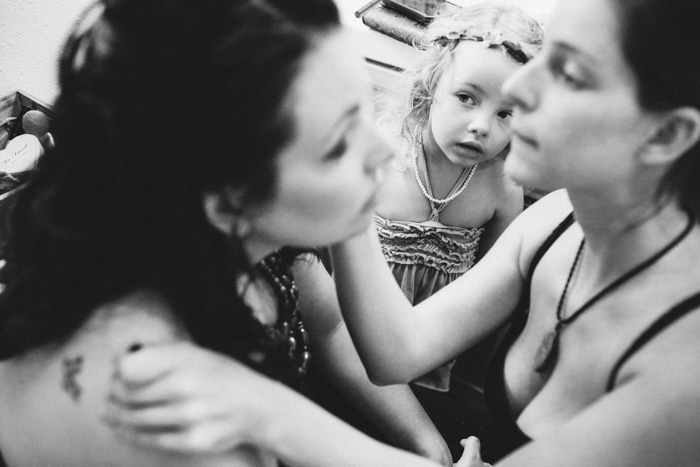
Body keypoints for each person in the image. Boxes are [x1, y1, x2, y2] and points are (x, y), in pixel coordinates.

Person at [103, 0, 700, 465]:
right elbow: (397, 352)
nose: (515, 93)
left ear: (666, 136)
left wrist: (263, 409)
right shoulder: (555, 220)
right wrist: (348, 185)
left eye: (567, 72)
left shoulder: (684, 368)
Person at [0, 0, 453, 466]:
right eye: (339, 144)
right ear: (229, 199)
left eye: (366, 112)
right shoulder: (175, 419)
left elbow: (332, 326)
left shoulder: (235, 241)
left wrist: (428, 445)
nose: (385, 149)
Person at [370, 5, 542, 457]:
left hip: (435, 362)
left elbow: (491, 299)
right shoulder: (380, 159)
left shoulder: (502, 188)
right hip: (354, 338)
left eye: (507, 113)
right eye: (467, 97)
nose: (481, 126)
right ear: (431, 87)